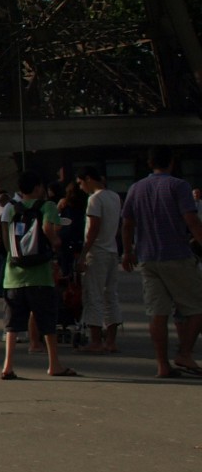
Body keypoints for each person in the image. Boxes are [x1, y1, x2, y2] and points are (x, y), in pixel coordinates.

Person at [119, 145, 202, 379]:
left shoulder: (136, 188)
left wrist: (127, 252)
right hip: (176, 254)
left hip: (147, 256)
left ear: (149, 163)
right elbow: (191, 220)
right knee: (197, 306)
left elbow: (127, 223)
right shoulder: (179, 186)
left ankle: (162, 364)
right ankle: (185, 352)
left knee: (157, 312)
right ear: (172, 163)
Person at [0, 168, 72, 379]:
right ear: (38, 187)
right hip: (40, 275)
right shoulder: (47, 206)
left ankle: (8, 365)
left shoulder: (9, 209)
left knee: (12, 324)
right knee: (48, 322)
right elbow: (49, 228)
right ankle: (54, 364)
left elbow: (5, 239)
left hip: (14, 276)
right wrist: (55, 243)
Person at [77, 166, 122, 353]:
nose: (80, 188)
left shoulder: (94, 199)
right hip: (112, 249)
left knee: (93, 295)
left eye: (81, 183)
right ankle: (111, 341)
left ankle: (95, 341)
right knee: (111, 295)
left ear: (88, 179)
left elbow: (93, 228)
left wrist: (83, 254)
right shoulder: (114, 196)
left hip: (97, 252)